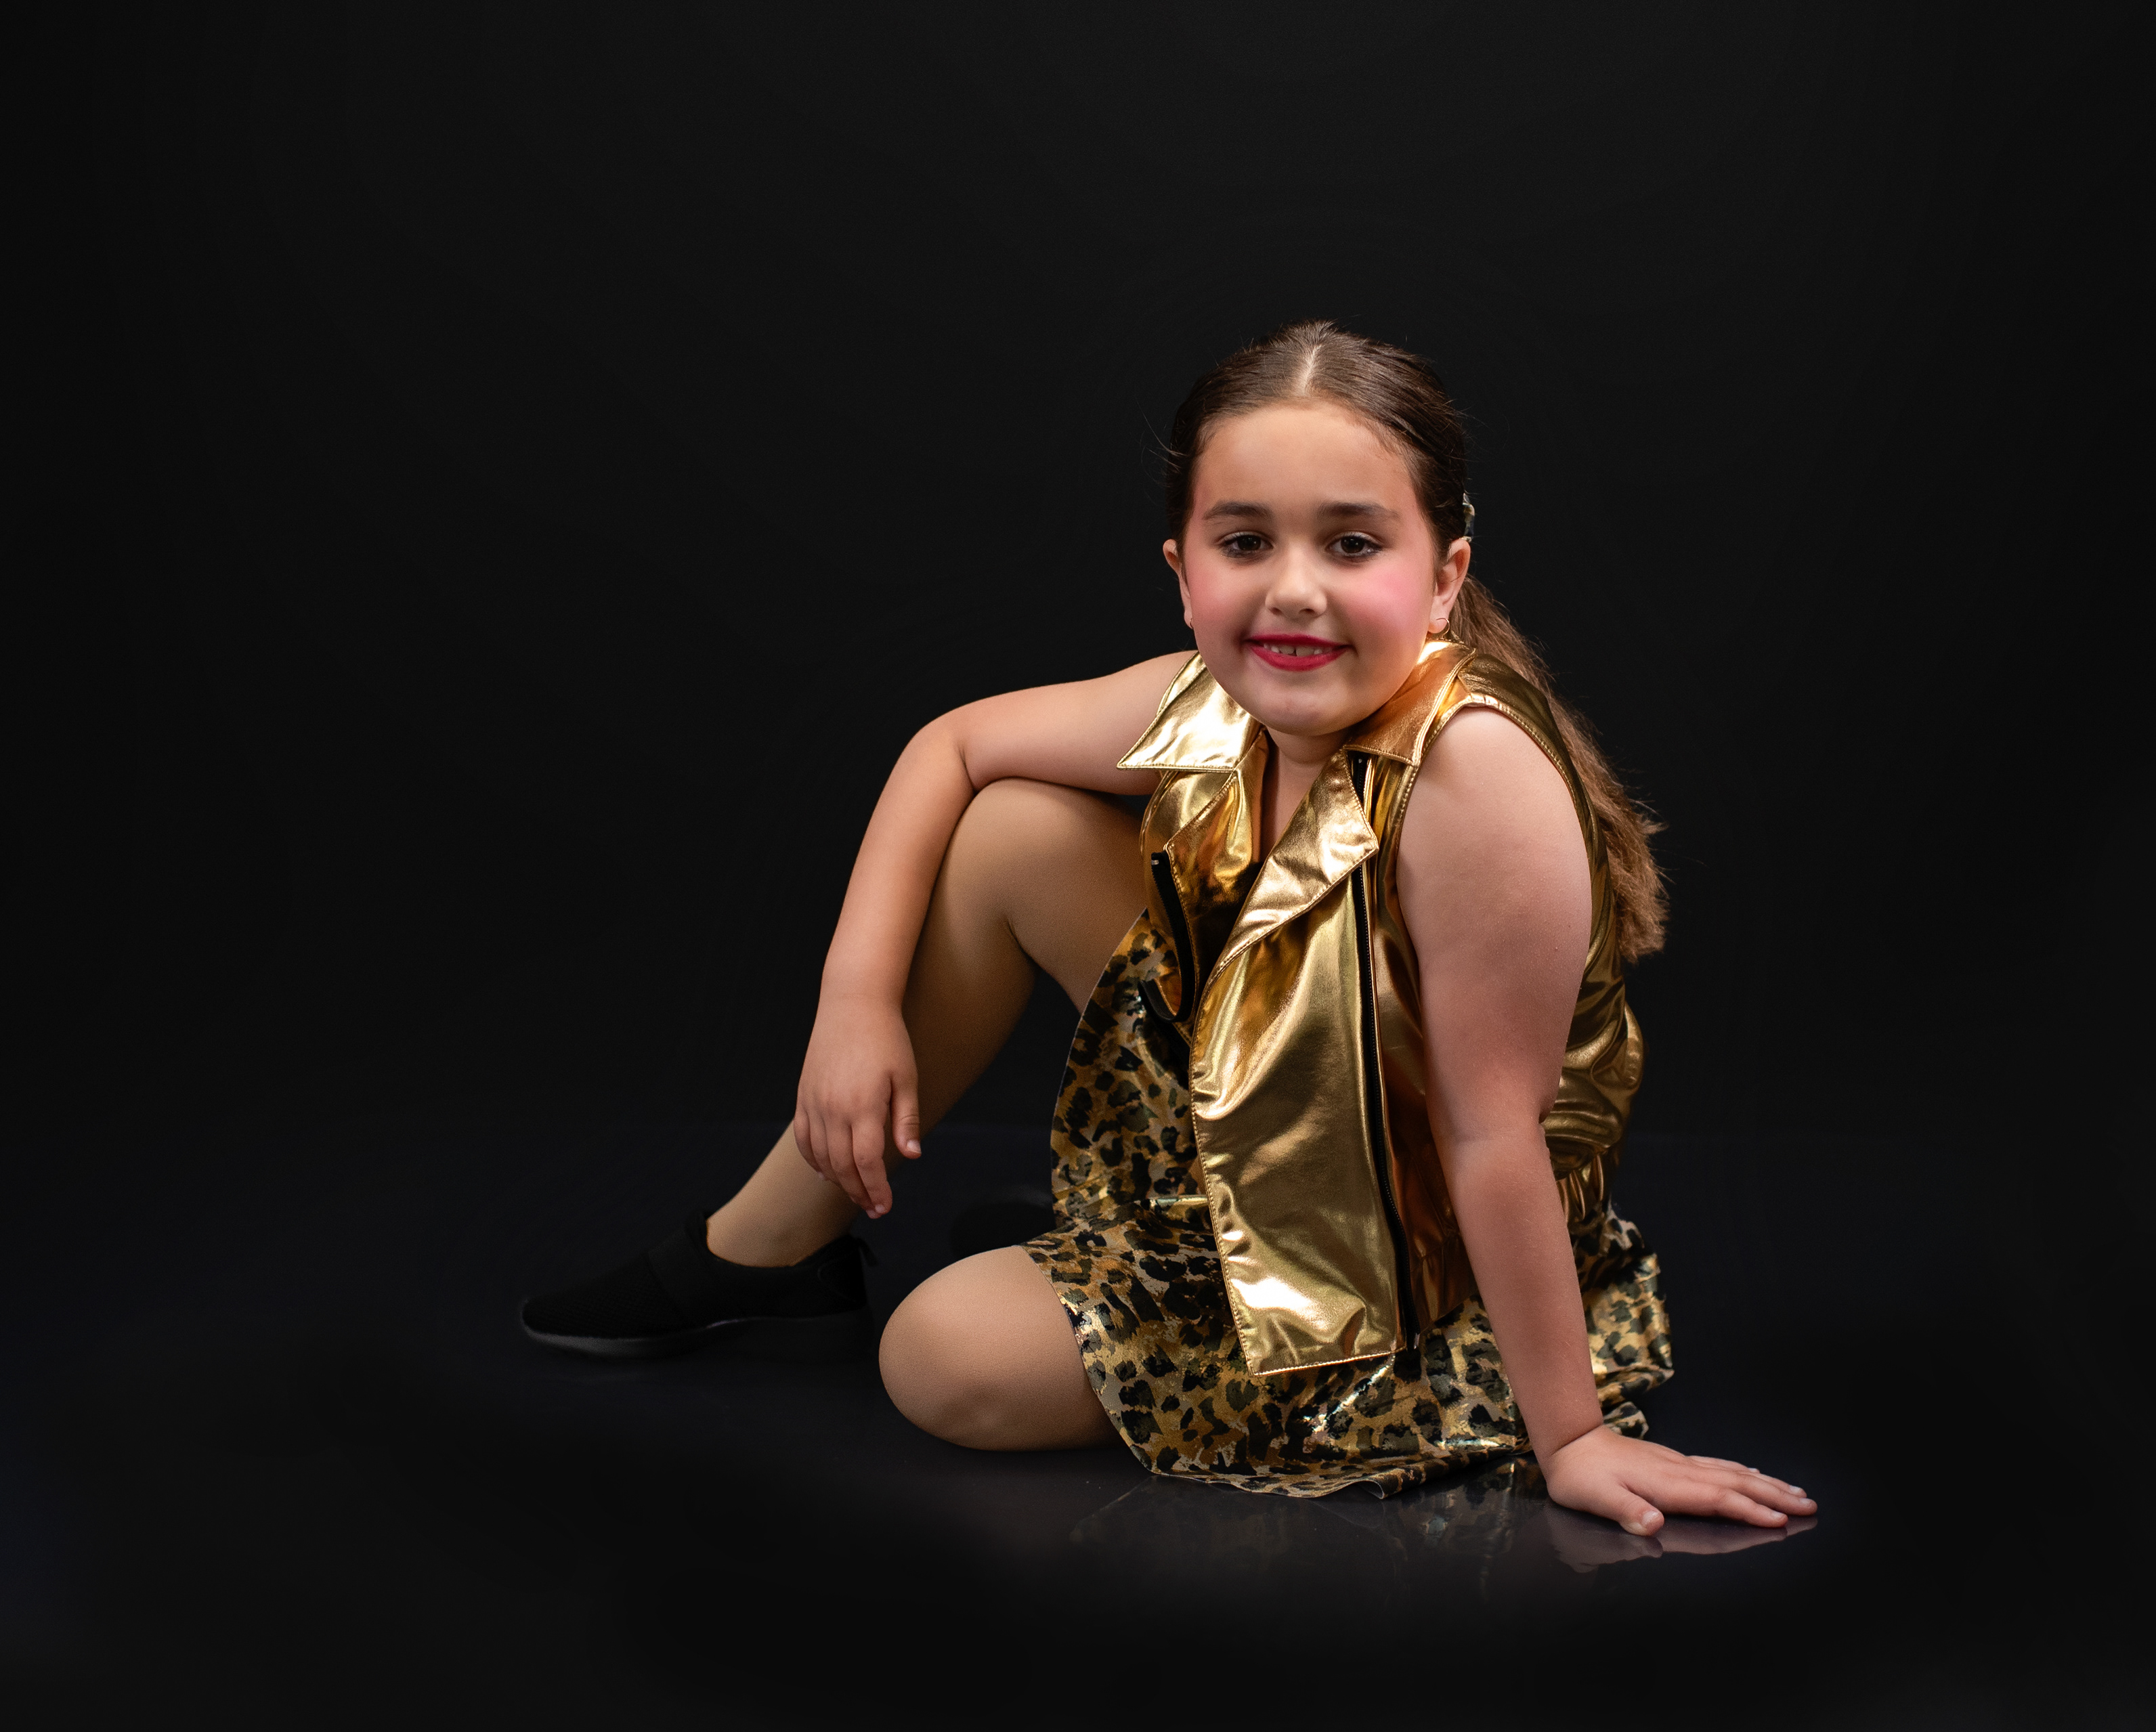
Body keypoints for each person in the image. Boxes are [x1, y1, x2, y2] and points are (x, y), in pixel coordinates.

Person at [522, 322, 1816, 1536]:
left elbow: (1491, 1138)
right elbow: (953, 743)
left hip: (1406, 1263)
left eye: (1352, 544)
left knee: (936, 1357)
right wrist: (852, 1003)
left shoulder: (1473, 778)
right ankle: (764, 1248)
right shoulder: (1216, 697)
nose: (1293, 591)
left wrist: (1570, 1436)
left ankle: (1106, 1255)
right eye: (1245, 541)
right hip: (1281, 1103)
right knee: (1013, 828)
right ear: (1183, 575)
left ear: (1444, 579)